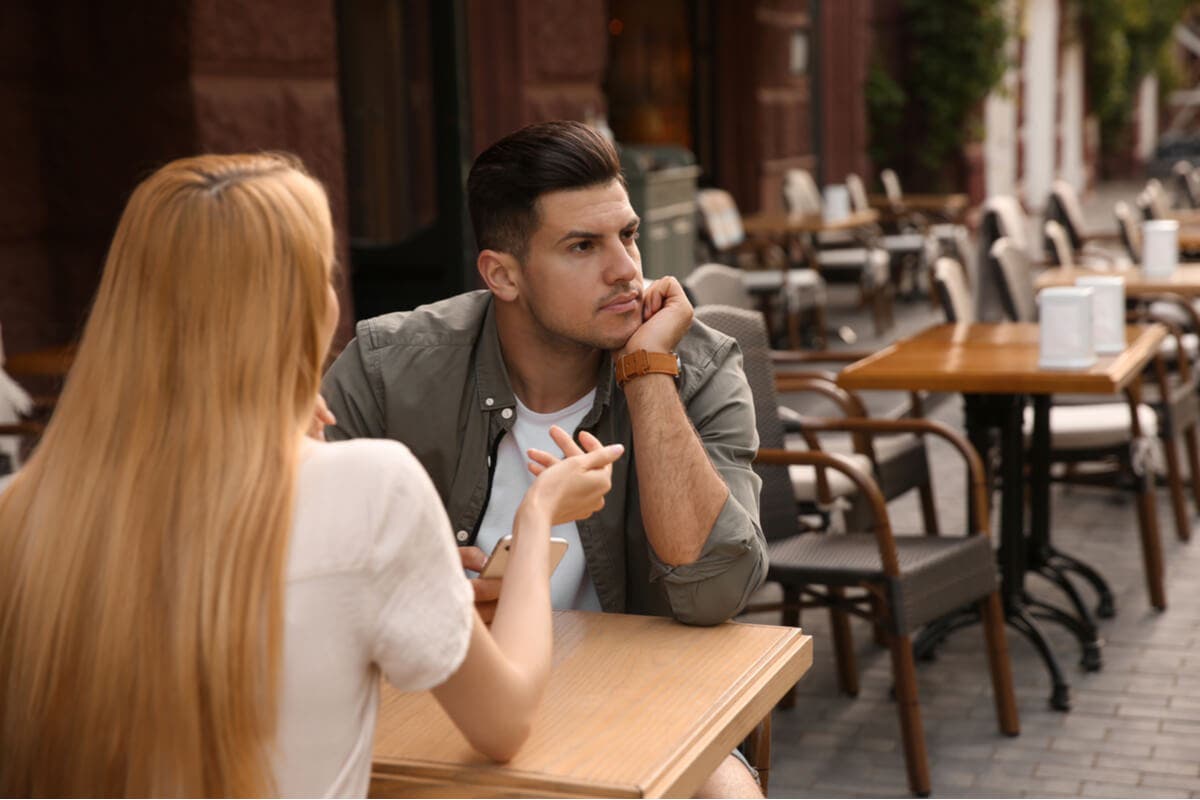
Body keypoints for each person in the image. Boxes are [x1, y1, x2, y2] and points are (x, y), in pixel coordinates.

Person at [0, 153, 623, 797]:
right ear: (296, 309)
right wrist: (538, 515)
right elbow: (506, 719)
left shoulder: (21, 509)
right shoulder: (372, 489)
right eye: (324, 273)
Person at [320, 120, 768, 796]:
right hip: (439, 701)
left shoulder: (695, 364)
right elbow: (293, 564)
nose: (626, 269)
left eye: (628, 235)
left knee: (725, 793)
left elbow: (716, 593)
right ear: (502, 274)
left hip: (637, 701)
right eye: (583, 246)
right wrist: (420, 590)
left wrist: (647, 371)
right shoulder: (388, 369)